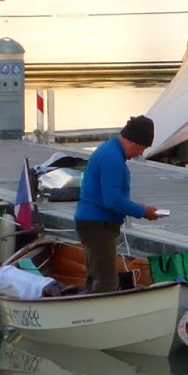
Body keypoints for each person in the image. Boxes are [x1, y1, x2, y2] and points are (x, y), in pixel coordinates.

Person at [74, 115, 162, 293]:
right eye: (142, 148)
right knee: (106, 282)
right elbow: (112, 200)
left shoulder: (110, 150)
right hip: (97, 225)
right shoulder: (112, 158)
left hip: (93, 222)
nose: (141, 153)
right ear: (132, 141)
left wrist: (135, 206)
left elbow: (111, 195)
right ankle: (101, 317)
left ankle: (90, 312)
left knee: (96, 276)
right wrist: (142, 211)